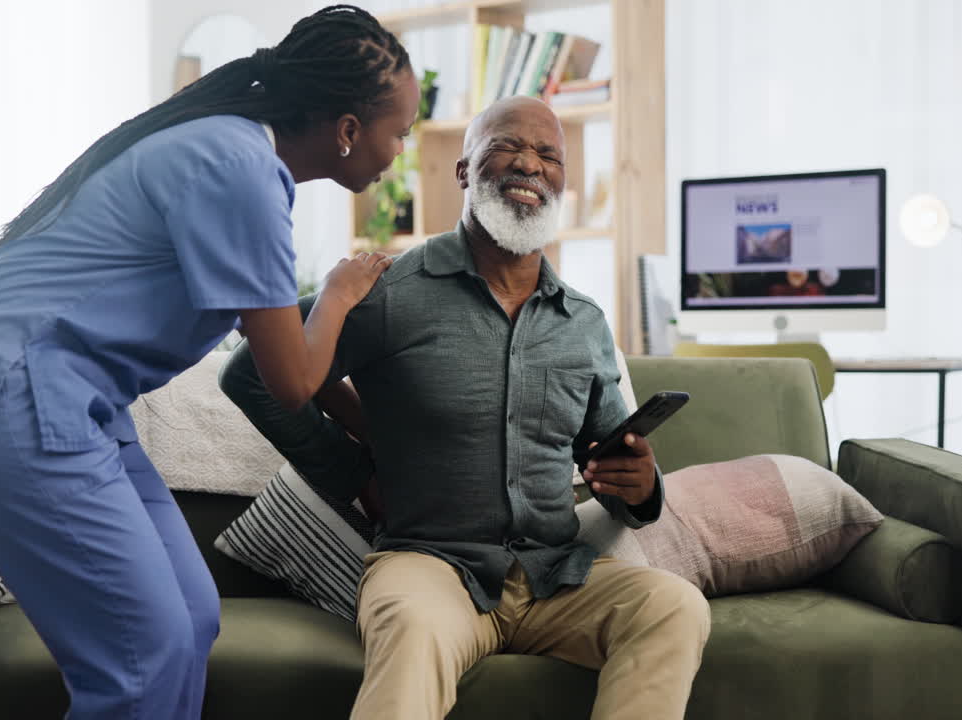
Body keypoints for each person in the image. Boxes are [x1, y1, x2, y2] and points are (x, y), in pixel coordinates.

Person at [0, 6, 418, 719]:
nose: (401, 152)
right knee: (145, 652)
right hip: (3, 381)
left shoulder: (236, 158)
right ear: (350, 130)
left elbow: (283, 354)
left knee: (193, 616)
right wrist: (337, 292)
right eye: (400, 132)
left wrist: (376, 437)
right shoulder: (240, 169)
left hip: (71, 395)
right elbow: (291, 381)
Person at [221, 96, 711, 720]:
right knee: (413, 630)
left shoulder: (583, 323)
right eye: (507, 146)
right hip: (428, 568)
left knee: (675, 606)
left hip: (556, 577)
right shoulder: (388, 290)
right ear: (463, 170)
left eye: (549, 155)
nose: (530, 165)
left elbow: (609, 460)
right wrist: (351, 475)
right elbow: (252, 374)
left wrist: (638, 489)